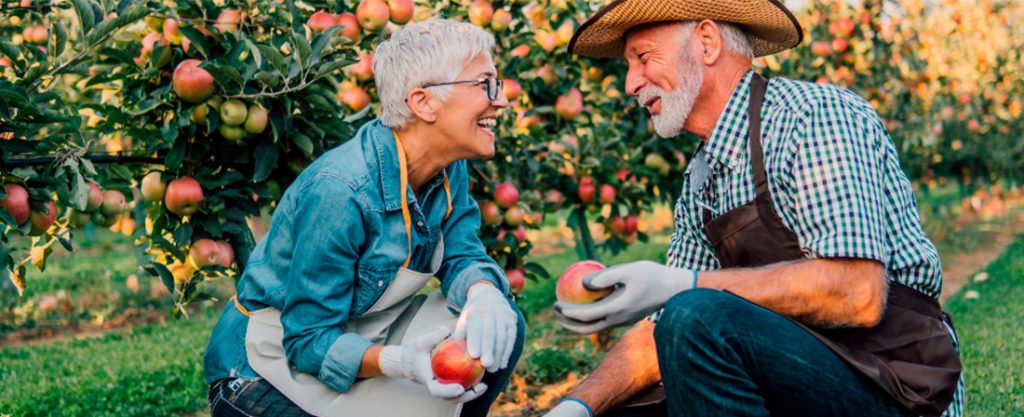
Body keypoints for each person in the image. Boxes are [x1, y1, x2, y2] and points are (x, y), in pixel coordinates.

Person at [544, 1, 963, 416]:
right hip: (798, 371)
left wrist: (681, 286)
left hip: (893, 382)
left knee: (696, 315)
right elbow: (660, 331)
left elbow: (857, 293)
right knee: (624, 400)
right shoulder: (700, 182)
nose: (631, 83)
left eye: (643, 58)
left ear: (707, 43)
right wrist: (576, 407)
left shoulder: (813, 117)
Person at [203, 19, 524, 417]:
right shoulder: (342, 190)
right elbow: (307, 339)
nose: (502, 100)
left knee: (497, 326)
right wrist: (400, 362)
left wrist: (483, 292)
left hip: (361, 326)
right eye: (485, 84)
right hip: (262, 369)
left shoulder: (446, 167)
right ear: (423, 103)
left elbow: (461, 254)